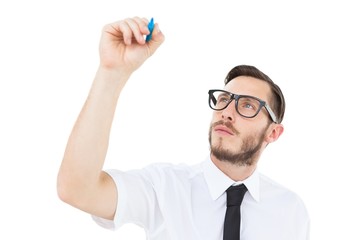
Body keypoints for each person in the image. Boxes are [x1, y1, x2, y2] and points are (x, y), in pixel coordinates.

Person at [57, 16, 310, 240]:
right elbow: (77, 189)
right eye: (224, 99)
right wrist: (112, 72)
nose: (227, 112)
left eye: (247, 105)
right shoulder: (163, 188)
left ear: (273, 133)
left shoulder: (290, 211)